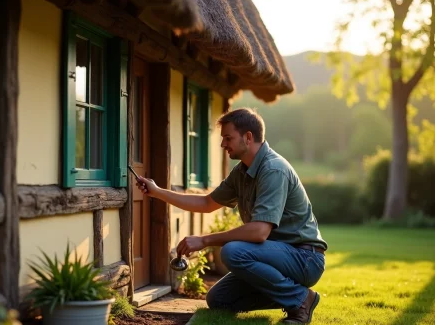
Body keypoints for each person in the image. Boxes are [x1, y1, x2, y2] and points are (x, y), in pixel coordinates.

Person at [135, 107, 327, 324]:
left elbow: (259, 232)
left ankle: (301, 300)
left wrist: (205, 240)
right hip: (275, 258)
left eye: (228, 138)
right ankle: (292, 295)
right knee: (219, 299)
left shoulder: (273, 170)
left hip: (304, 258)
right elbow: (207, 203)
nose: (222, 144)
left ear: (248, 137)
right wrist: (157, 192)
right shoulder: (242, 172)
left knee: (233, 252)